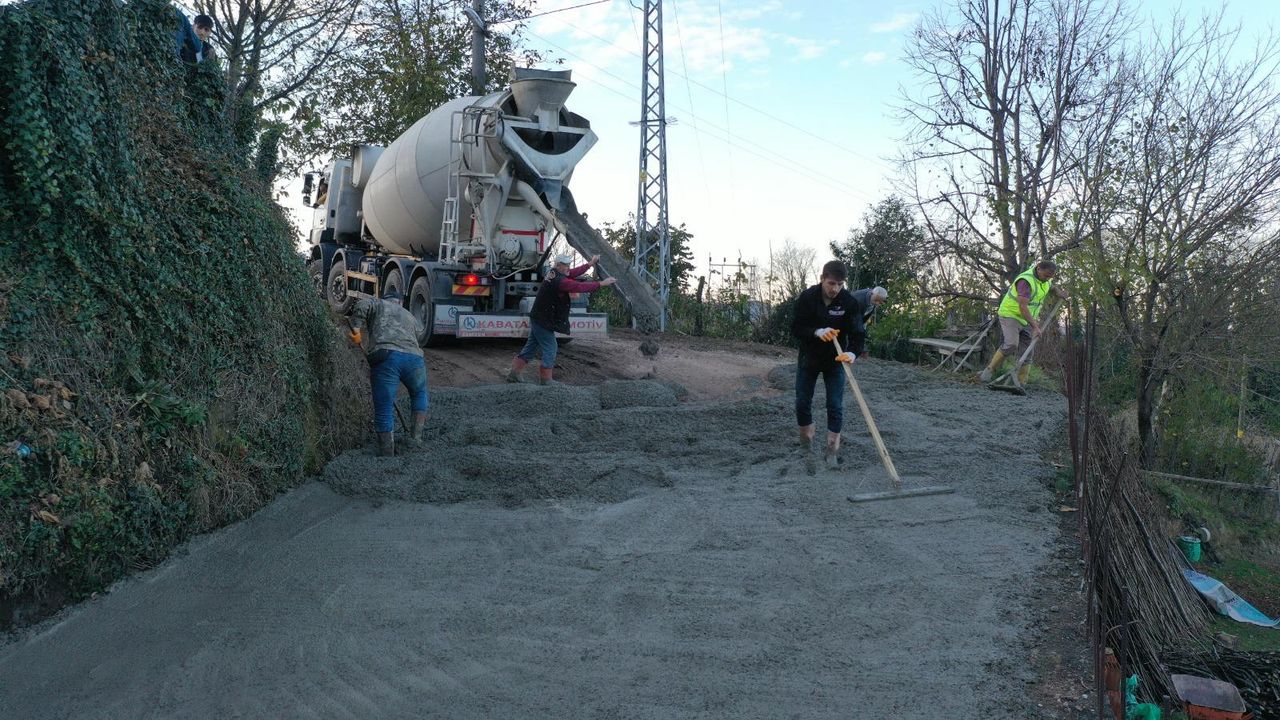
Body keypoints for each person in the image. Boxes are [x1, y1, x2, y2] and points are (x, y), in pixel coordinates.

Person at [790, 260, 867, 470]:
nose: (835, 289)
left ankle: (832, 449)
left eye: (840, 284)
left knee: (835, 405)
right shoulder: (808, 297)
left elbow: (858, 333)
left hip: (836, 361)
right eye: (831, 283)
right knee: (802, 402)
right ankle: (806, 443)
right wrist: (817, 332)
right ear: (822, 278)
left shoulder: (849, 302)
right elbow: (796, 327)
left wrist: (852, 352)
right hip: (809, 358)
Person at [507, 253, 616, 385]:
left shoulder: (553, 273)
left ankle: (514, 374)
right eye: (565, 265)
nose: (568, 267)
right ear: (558, 265)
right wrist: (601, 284)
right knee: (551, 347)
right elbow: (578, 286)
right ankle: (546, 379)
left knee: (531, 347)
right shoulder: (560, 281)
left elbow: (572, 272)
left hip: (539, 317)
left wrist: (590, 264)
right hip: (543, 320)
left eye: (569, 264)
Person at [348, 288, 428, 457]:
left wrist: (356, 330)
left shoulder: (379, 303)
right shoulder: (409, 315)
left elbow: (362, 305)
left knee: (384, 405)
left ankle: (387, 453)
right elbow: (419, 336)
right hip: (415, 359)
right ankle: (416, 438)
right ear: (399, 302)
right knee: (419, 393)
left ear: (386, 299)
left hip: (387, 356)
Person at [980, 259, 1068, 386]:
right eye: (1046, 275)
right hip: (1011, 314)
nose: (1048, 279)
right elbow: (1023, 307)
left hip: (1026, 319)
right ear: (1039, 269)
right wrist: (1036, 327)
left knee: (1027, 350)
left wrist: (1060, 293)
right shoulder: (1025, 281)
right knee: (1011, 344)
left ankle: (1021, 383)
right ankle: (988, 372)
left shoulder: (1046, 280)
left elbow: (1051, 287)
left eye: (1050, 276)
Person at [848, 286, 888, 358]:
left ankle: (855, 352)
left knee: (861, 332)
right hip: (847, 316)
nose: (877, 303)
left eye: (880, 302)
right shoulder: (859, 300)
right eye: (876, 300)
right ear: (872, 293)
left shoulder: (874, 298)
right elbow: (855, 321)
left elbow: (865, 316)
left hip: (858, 317)